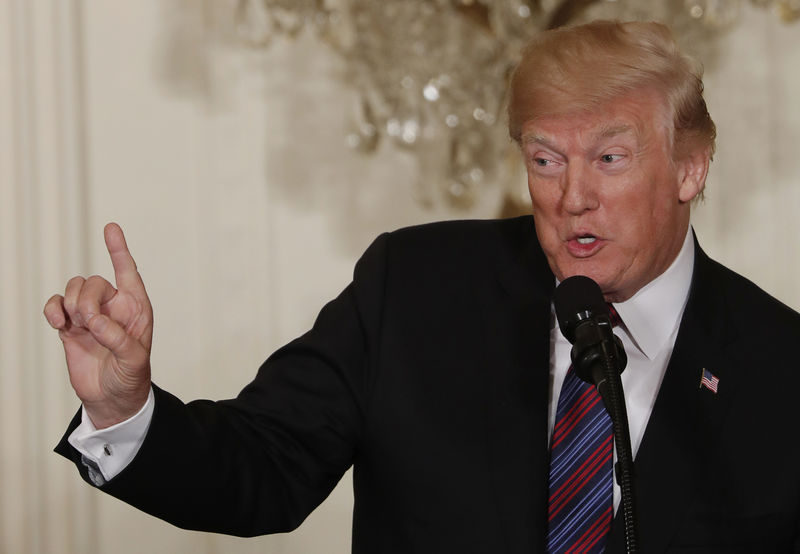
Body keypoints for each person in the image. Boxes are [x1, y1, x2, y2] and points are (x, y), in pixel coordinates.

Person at [45, 20, 800, 553]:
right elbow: (261, 468)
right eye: (544, 160)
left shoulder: (781, 365)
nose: (572, 197)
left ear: (691, 168)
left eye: (609, 159)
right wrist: (124, 409)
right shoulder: (412, 288)